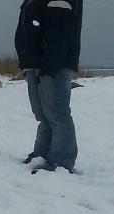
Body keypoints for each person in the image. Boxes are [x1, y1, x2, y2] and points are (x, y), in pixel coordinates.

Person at [15, 0, 84, 173]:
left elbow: (60, 30)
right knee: (43, 114)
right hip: (36, 63)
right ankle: (41, 155)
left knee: (57, 114)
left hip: (53, 65)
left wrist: (52, 62)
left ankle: (61, 161)